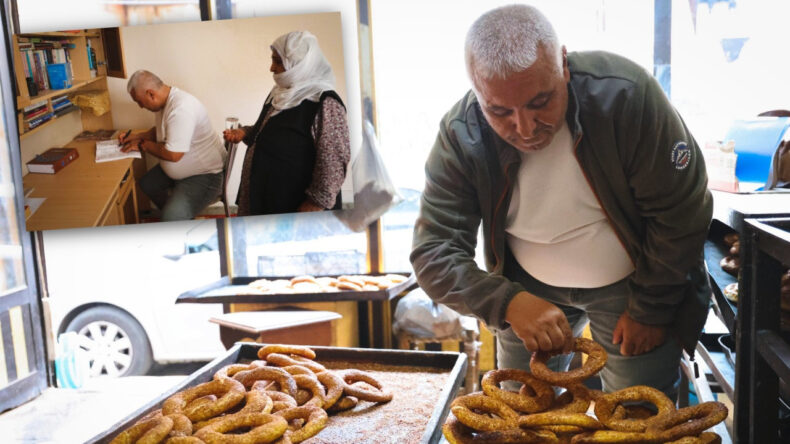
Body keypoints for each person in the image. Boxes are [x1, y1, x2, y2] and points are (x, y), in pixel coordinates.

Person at [410, 4, 712, 401]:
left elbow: (681, 210)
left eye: (541, 102)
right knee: (522, 412)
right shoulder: (462, 133)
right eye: (499, 111)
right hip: (527, 289)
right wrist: (507, 302)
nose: (525, 128)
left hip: (636, 283)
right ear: (477, 93)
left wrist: (651, 309)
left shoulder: (626, 96)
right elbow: (433, 251)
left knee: (638, 413)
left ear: (564, 64)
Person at [223, 30, 350, 216]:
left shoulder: (325, 102)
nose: (271, 68)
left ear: (300, 64)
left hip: (294, 206)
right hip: (263, 196)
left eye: (278, 61)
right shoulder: (280, 93)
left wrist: (316, 203)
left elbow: (334, 159)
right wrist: (245, 132)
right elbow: (270, 131)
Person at [120, 70, 226, 222]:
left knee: (171, 216)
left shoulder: (180, 109)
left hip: (205, 175)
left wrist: (144, 145)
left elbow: (173, 155)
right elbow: (160, 131)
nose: (140, 107)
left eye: (139, 101)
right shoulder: (165, 102)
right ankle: (180, 219)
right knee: (147, 184)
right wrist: (136, 137)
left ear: (151, 94)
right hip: (186, 171)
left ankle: (175, 218)